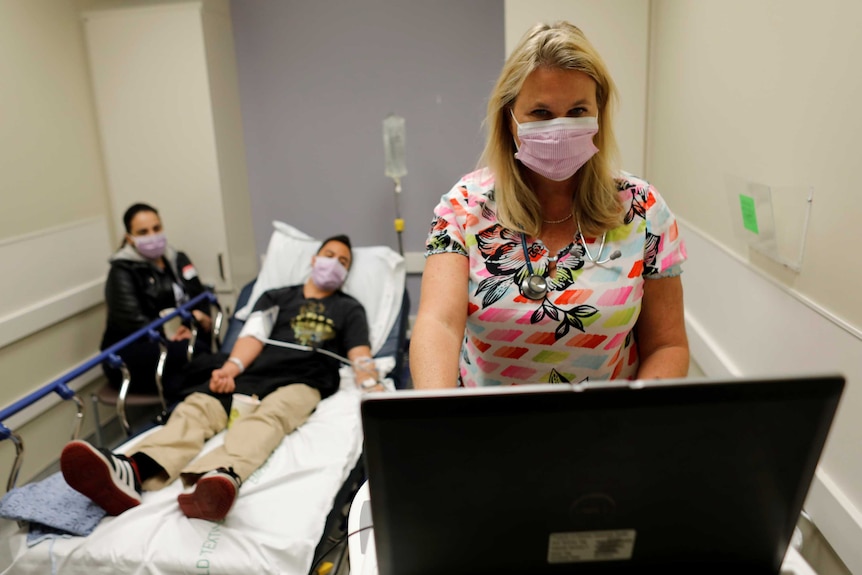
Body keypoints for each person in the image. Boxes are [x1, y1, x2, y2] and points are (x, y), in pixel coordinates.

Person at [410, 22, 689, 389]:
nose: (560, 128)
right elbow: (439, 325)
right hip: (485, 432)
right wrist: (436, 420)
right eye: (541, 113)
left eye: (577, 111)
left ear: (598, 115)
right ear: (509, 120)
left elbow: (667, 344)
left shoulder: (643, 209)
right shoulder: (464, 208)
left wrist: (632, 422)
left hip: (607, 433)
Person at [61, 235, 377, 521]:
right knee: (196, 408)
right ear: (313, 259)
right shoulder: (275, 297)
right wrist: (231, 368)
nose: (334, 263)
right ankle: (132, 469)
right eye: (329, 254)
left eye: (343, 261)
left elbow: (359, 354)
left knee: (270, 418)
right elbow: (253, 336)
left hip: (304, 378)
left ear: (347, 272)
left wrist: (371, 383)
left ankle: (216, 478)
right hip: (253, 370)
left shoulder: (349, 309)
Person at [101, 203, 214, 396]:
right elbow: (133, 322)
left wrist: (194, 320)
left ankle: (181, 410)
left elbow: (199, 298)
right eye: (143, 232)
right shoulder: (122, 271)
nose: (152, 235)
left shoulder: (177, 259)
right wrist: (171, 333)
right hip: (132, 350)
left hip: (178, 340)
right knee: (195, 354)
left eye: (156, 228)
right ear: (130, 238)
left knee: (186, 374)